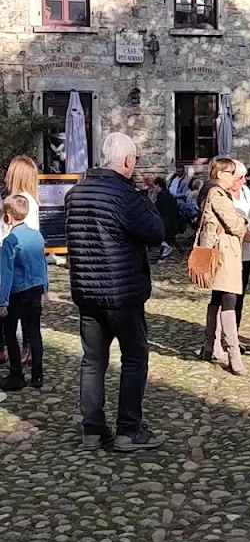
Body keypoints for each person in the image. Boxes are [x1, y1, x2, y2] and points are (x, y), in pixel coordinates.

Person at [65, 132, 166, 450]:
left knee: (93, 361)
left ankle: (92, 430)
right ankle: (128, 429)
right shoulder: (125, 196)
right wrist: (147, 200)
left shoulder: (75, 194)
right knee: (134, 358)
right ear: (127, 161)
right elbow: (156, 232)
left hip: (87, 290)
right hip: (122, 292)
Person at [198, 157, 248, 375]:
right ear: (220, 174)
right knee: (229, 299)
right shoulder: (217, 194)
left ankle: (209, 346)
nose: (235, 177)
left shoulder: (214, 192)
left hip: (220, 252)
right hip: (224, 254)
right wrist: (246, 223)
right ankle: (233, 354)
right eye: (231, 173)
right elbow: (234, 224)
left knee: (217, 298)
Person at [0, 195, 48, 391]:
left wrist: (2, 300)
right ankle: (38, 374)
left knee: (10, 332)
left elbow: (6, 272)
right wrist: (45, 287)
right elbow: (42, 263)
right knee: (34, 331)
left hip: (17, 292)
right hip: (35, 289)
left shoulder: (10, 240)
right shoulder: (37, 235)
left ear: (8, 217)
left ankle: (16, 373)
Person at [0, 156, 41, 367]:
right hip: (18, 265)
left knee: (19, 314)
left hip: (17, 266)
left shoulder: (24, 202)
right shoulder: (22, 199)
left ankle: (23, 353)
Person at [231, 161, 250, 331]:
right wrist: (244, 232)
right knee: (225, 296)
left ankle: (234, 331)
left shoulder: (245, 192)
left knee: (240, 294)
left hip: (247, 252)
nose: (244, 181)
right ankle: (217, 336)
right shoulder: (221, 194)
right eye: (240, 177)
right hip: (229, 253)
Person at [153, 177, 181, 259]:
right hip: (173, 222)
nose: (154, 189)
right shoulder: (167, 194)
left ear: (158, 185)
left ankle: (165, 245)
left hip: (167, 223)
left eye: (154, 186)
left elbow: (156, 208)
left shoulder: (162, 196)